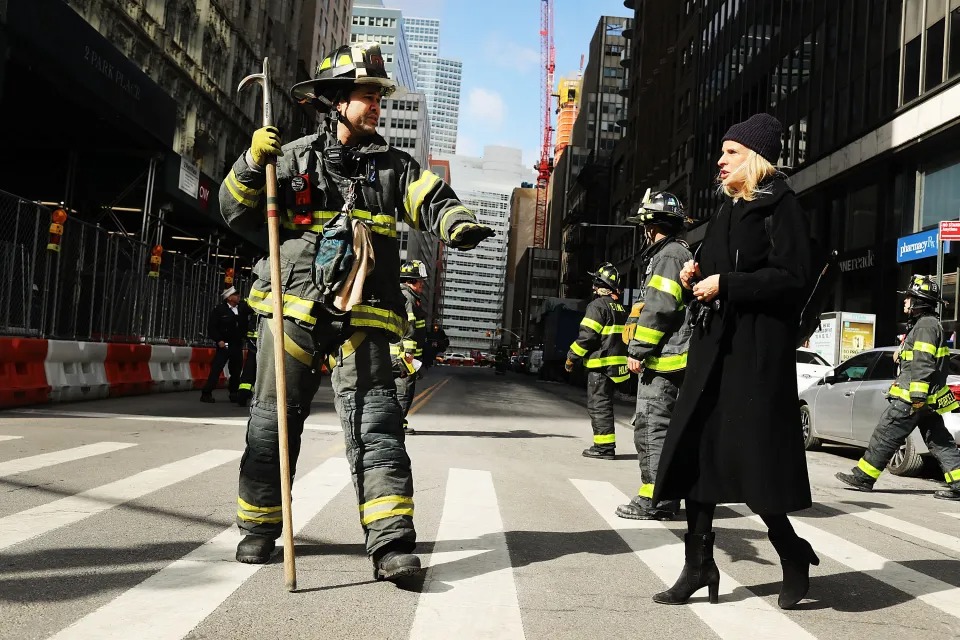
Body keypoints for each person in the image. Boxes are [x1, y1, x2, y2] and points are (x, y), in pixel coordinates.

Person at [218, 43, 493, 582]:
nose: (376, 107)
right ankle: (258, 528)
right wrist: (253, 162)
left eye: (378, 98)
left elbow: (430, 199)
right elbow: (232, 208)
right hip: (291, 306)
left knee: (378, 424)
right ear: (336, 100)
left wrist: (456, 222)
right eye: (367, 96)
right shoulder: (289, 157)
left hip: (363, 313)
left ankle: (391, 544)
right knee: (274, 422)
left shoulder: (395, 166)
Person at [652, 113, 820, 610]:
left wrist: (728, 284)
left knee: (754, 464)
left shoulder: (781, 205)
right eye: (721, 152)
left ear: (755, 157)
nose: (719, 161)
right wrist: (696, 271)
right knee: (698, 456)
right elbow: (719, 266)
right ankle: (698, 564)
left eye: (730, 152)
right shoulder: (727, 209)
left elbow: (794, 277)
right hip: (713, 349)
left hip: (755, 354)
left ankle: (791, 551)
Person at [836, 275, 960, 500]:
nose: (905, 302)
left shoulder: (925, 326)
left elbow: (923, 363)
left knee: (886, 433)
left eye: (909, 298)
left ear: (919, 301)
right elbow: (920, 357)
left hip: (912, 399)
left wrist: (917, 397)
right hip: (925, 400)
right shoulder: (928, 324)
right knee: (940, 441)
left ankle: (864, 477)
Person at [616, 192, 692, 521]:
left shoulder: (668, 256)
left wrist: (638, 350)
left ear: (651, 225)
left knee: (651, 427)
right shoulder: (677, 253)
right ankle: (667, 498)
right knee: (665, 430)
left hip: (663, 360)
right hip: (675, 357)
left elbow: (660, 307)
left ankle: (652, 499)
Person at [566, 263, 630, 460]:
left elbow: (587, 337)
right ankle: (605, 445)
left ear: (601, 285)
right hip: (617, 367)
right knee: (606, 404)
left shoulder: (597, 306)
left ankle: (604, 448)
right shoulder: (621, 308)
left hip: (600, 366)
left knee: (599, 405)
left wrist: (571, 357)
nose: (593, 288)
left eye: (595, 284)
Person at [391, 260, 428, 434]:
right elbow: (410, 328)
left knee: (395, 389)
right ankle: (396, 423)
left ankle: (395, 421)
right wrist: (409, 356)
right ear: (410, 281)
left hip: (399, 353)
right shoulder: (409, 299)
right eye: (420, 281)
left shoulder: (402, 296)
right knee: (404, 389)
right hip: (404, 355)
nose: (422, 284)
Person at [200, 286, 249, 403]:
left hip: (237, 344)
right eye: (235, 295)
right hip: (225, 344)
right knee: (217, 368)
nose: (238, 297)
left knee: (236, 370)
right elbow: (212, 327)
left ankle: (234, 392)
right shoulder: (220, 310)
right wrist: (218, 340)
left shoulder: (242, 308)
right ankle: (206, 393)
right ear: (229, 298)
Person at [235, 311, 259, 407]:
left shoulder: (252, 307)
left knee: (249, 370)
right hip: (264, 344)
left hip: (253, 344)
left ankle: (243, 394)